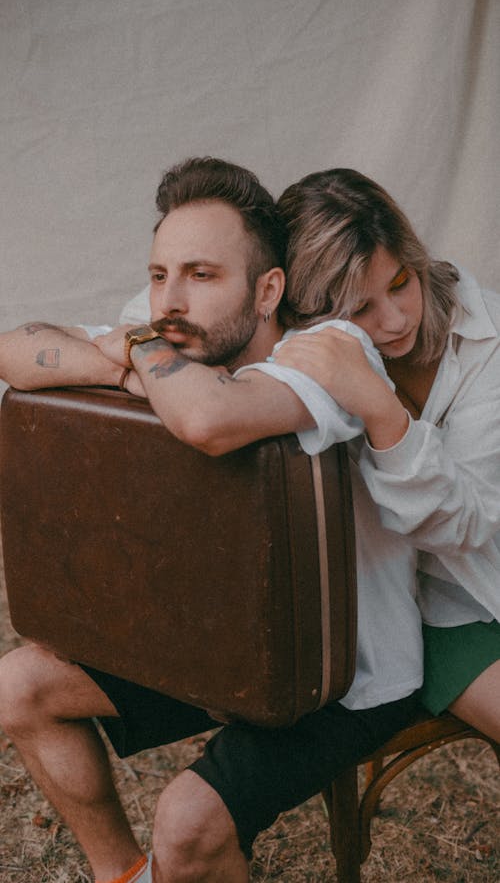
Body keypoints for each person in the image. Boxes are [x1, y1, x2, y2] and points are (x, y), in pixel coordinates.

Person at [0, 157, 422, 883]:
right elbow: (13, 349)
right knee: (18, 686)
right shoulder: (174, 337)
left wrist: (133, 346)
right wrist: (120, 358)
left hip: (344, 674)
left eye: (201, 275)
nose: (170, 300)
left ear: (267, 291)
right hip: (218, 646)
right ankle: (122, 875)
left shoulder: (328, 353)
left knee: (186, 823)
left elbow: (207, 418)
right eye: (160, 274)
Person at [272, 166, 500, 744]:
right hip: (441, 613)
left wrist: (382, 414)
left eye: (400, 282)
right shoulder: (296, 350)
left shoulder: (487, 338)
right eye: (358, 308)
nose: (395, 320)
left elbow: (470, 522)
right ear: (305, 312)